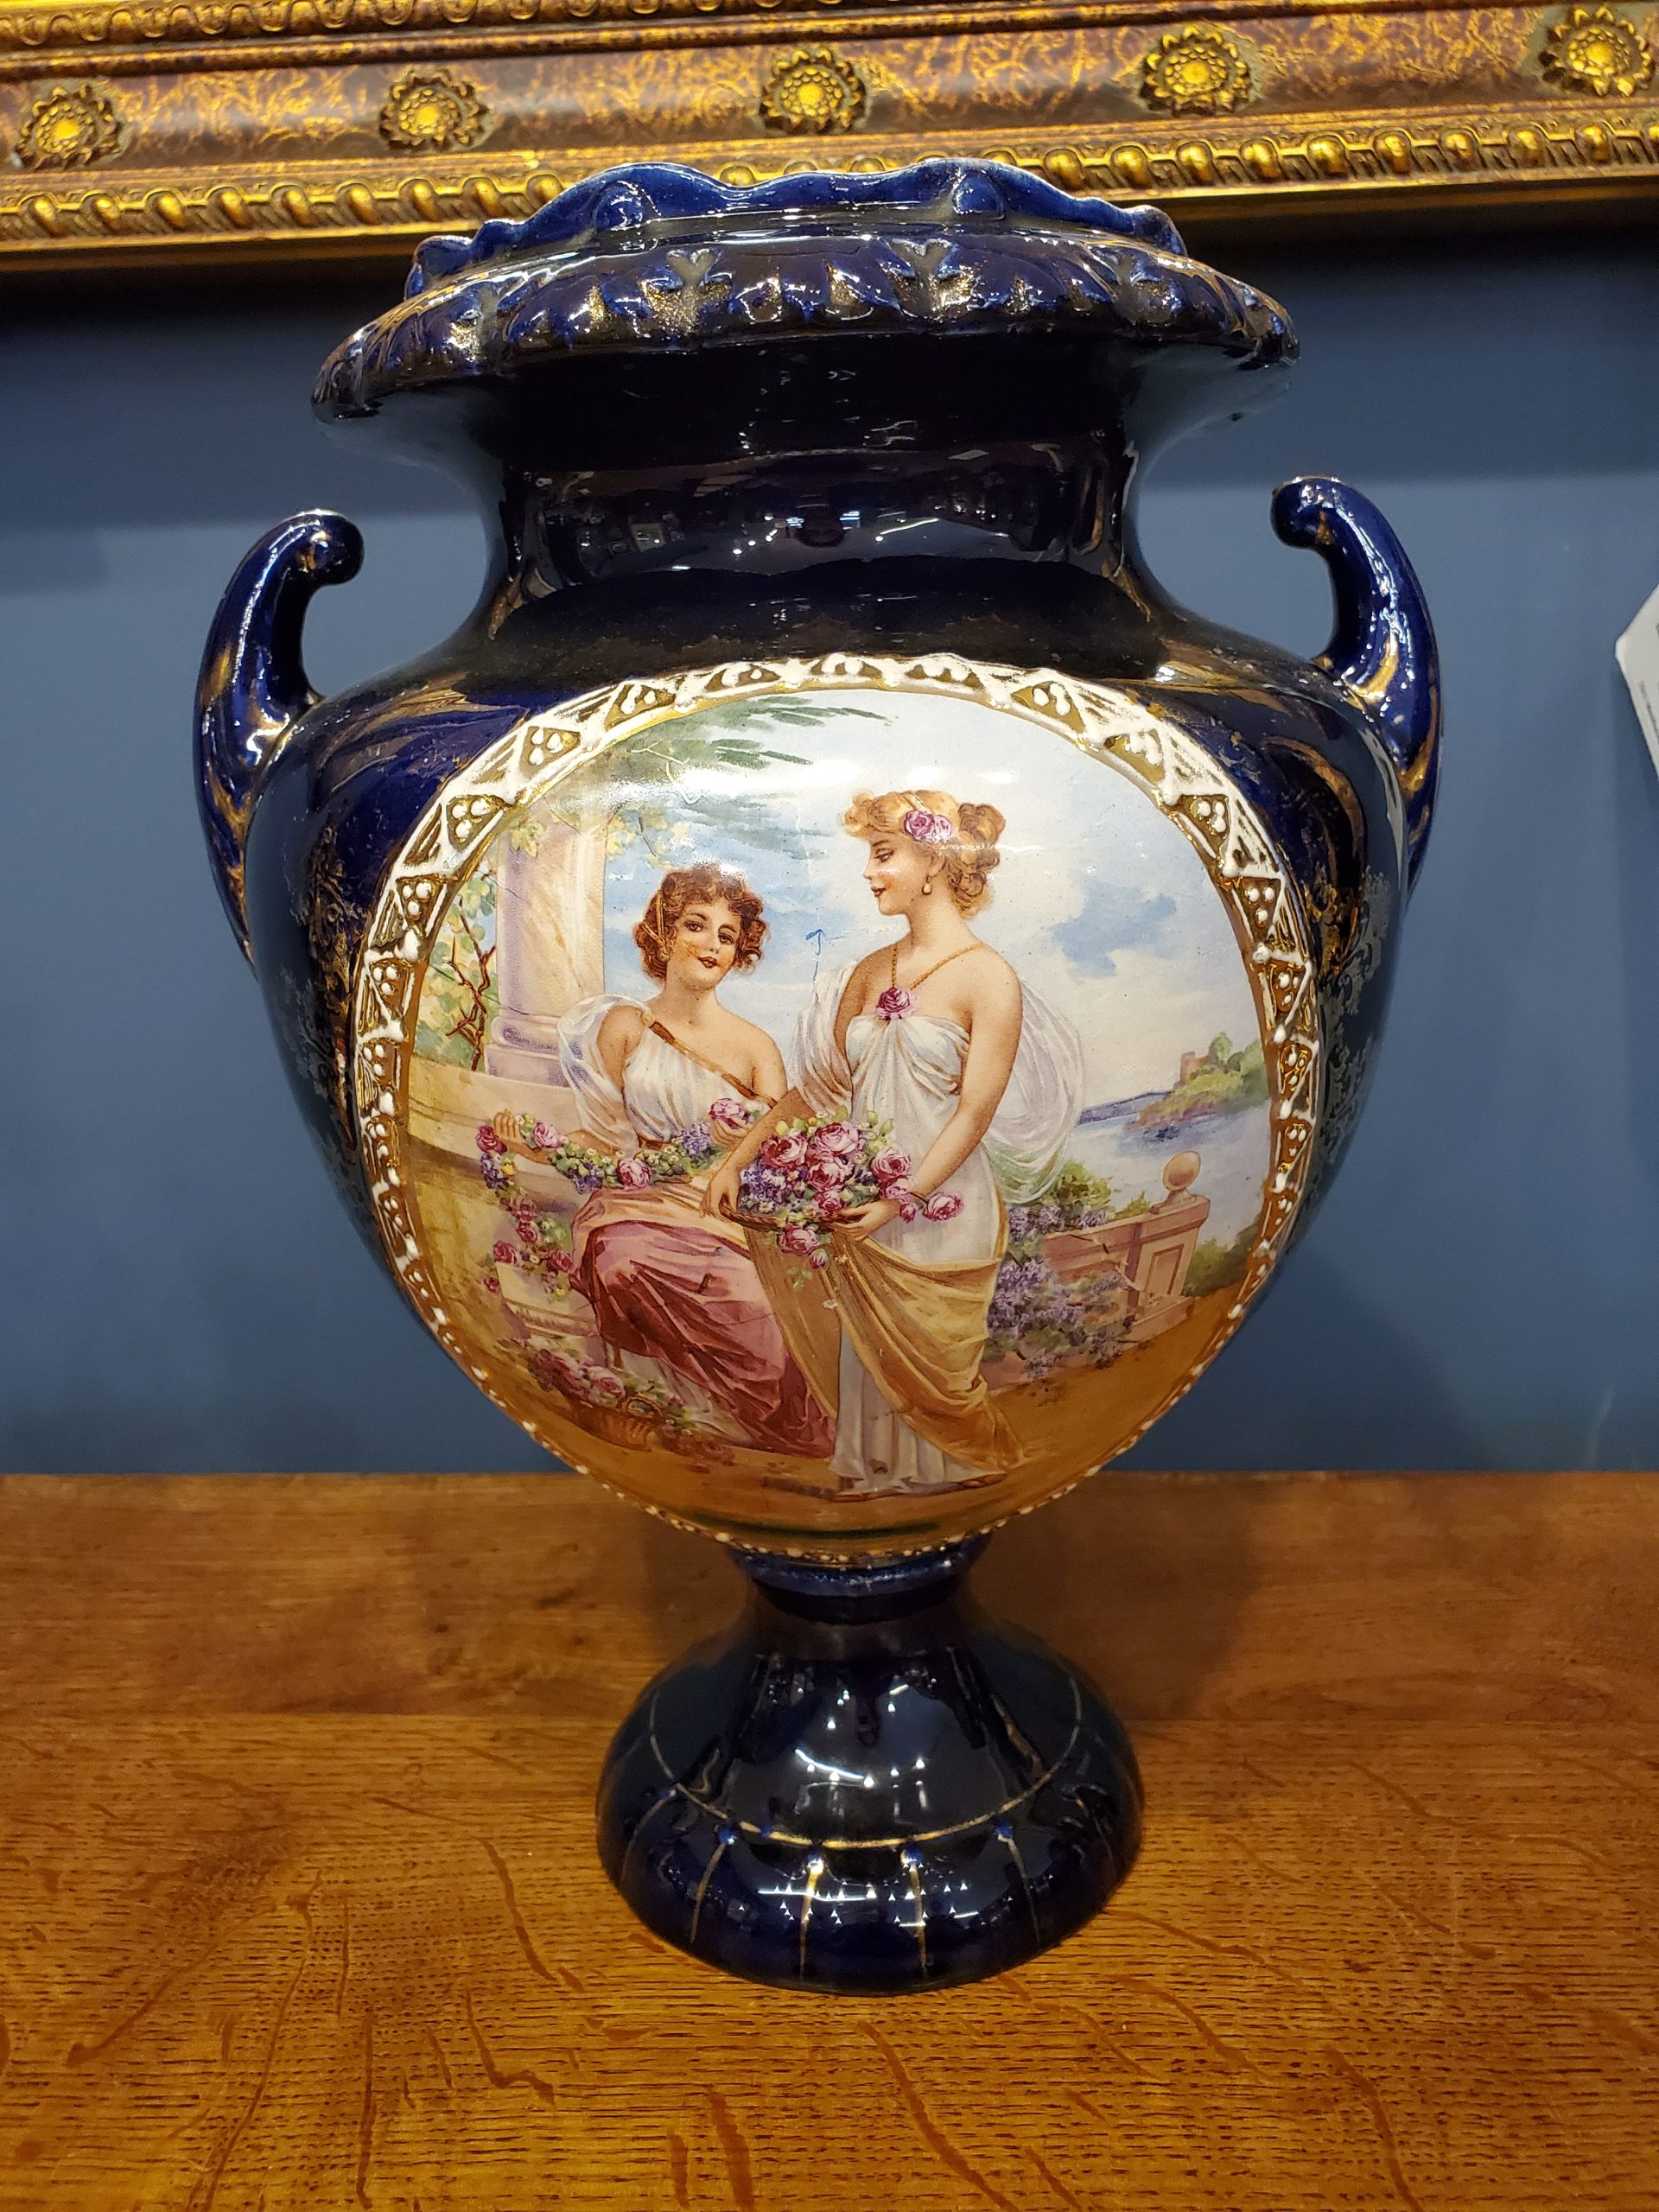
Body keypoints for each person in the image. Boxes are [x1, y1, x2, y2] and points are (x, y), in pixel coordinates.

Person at [706, 792, 1082, 1495]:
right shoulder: (869, 971)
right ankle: (873, 1479)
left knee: (936, 1362)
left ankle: (953, 1480)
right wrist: (739, 1160)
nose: (869, 873)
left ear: (934, 861)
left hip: (942, 1204)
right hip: (864, 1196)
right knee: (870, 1352)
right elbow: (821, 1090)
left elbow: (974, 1113)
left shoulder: (988, 977)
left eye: (884, 855)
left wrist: (898, 1200)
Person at [507, 863, 833, 1459]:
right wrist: (538, 1143)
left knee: (760, 1305)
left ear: (739, 952)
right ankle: (684, 1411)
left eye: (727, 936)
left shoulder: (755, 1047)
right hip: (640, 1205)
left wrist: (740, 1156)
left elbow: (779, 1153)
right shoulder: (626, 1025)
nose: (711, 945)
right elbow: (605, 1138)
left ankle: (759, 1423)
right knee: (624, 1260)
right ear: (664, 933)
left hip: (728, 1212)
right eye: (696, 925)